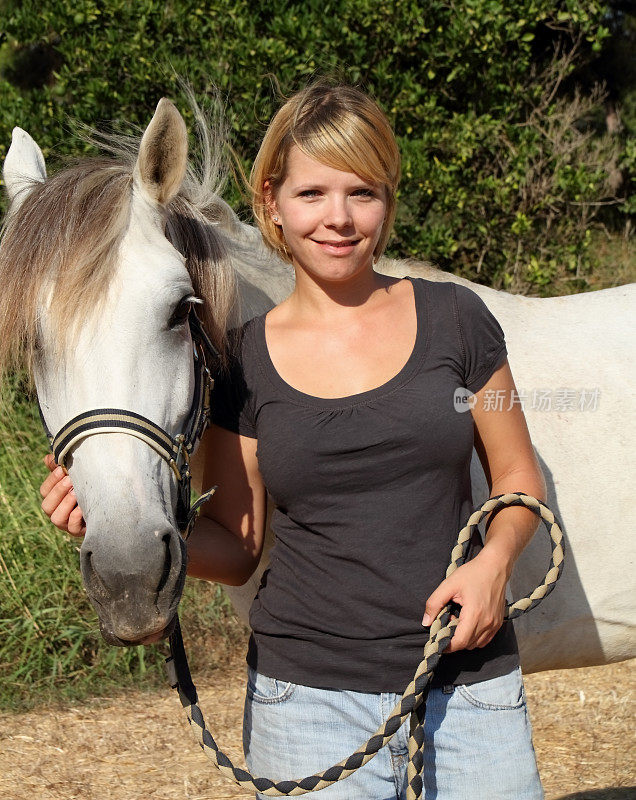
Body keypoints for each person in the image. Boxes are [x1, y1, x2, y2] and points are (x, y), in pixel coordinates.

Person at [41, 83, 546, 799]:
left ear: (387, 201)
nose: (338, 219)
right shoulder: (239, 359)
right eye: (312, 194)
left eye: (361, 192)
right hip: (305, 702)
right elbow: (240, 545)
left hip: (470, 685)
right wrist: (124, 527)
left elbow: (519, 476)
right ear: (272, 201)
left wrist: (495, 562)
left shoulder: (460, 320)